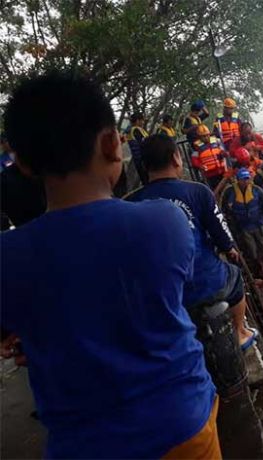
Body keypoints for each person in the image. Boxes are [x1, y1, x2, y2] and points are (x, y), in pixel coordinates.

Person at [1, 72, 219, 458]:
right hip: (181, 424)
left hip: (84, 446)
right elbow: (167, 290)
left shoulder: (8, 256)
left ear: (21, 162)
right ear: (110, 144)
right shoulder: (165, 221)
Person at [124, 134, 256, 350]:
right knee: (235, 276)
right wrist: (230, 249)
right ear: (177, 158)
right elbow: (222, 235)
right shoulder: (198, 192)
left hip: (161, 295)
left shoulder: (130, 202)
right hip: (207, 283)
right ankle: (241, 331)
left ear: (145, 165)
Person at [220, 168, 263, 274]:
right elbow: (223, 208)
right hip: (244, 227)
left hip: (258, 224)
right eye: (243, 179)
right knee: (252, 251)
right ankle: (260, 268)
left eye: (247, 179)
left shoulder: (256, 190)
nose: (246, 181)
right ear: (238, 180)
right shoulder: (230, 192)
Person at [191, 124, 228, 189]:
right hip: (209, 174)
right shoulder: (197, 146)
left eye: (207, 135)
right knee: (214, 190)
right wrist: (200, 165)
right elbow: (194, 160)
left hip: (221, 171)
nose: (206, 137)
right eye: (203, 136)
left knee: (225, 189)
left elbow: (222, 150)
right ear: (199, 137)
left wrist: (223, 153)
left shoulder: (217, 141)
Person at [126, 112, 149, 185]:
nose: (143, 122)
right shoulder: (135, 130)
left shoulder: (137, 129)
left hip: (140, 158)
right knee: (146, 180)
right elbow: (142, 144)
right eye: (142, 120)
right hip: (141, 159)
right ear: (137, 121)